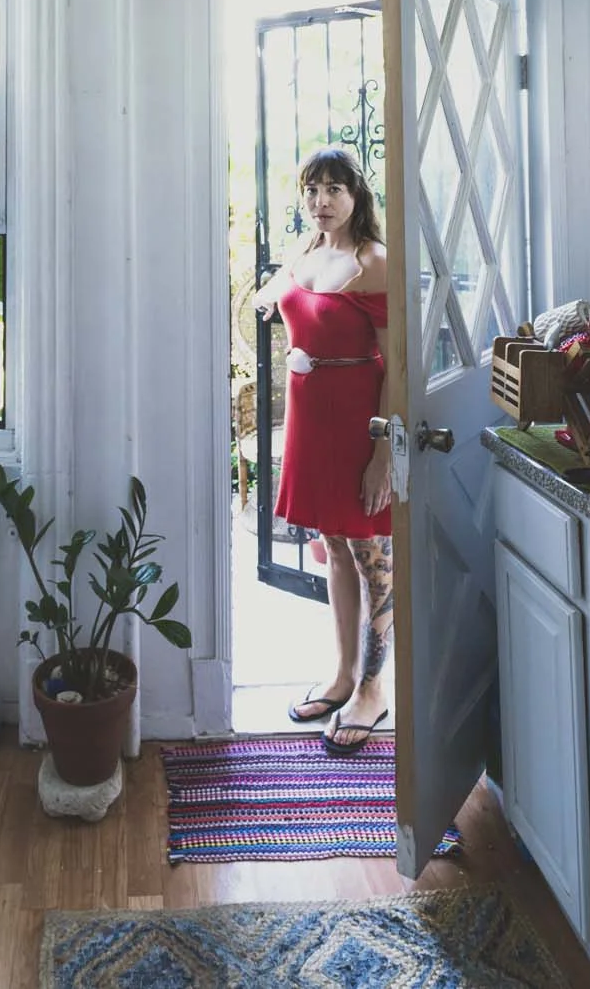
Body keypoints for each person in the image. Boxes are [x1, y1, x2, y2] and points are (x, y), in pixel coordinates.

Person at [252, 146, 396, 755]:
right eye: (312, 190)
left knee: (371, 555)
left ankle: (372, 688)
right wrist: (274, 318)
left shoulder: (375, 261)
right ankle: (340, 675)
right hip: (311, 417)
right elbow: (276, 300)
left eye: (335, 189)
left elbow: (397, 364)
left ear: (357, 195)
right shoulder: (305, 252)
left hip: (357, 421)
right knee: (333, 546)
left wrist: (383, 451)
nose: (322, 201)